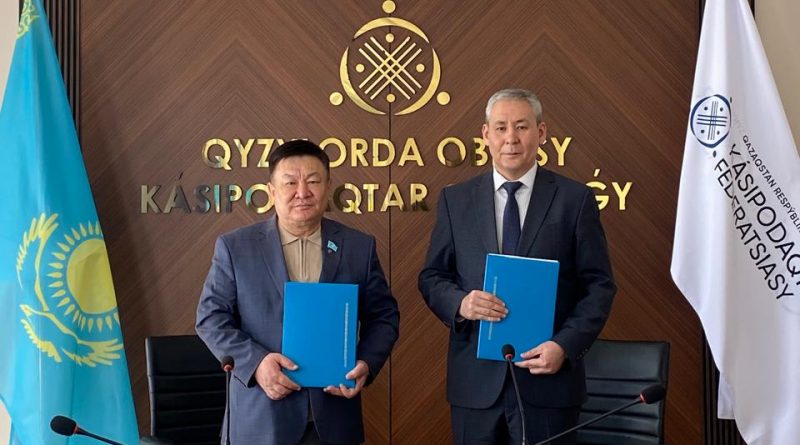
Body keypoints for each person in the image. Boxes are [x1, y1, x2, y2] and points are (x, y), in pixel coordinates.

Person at [418, 88, 616, 445]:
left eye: (522, 127)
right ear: (485, 135)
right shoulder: (455, 200)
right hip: (475, 386)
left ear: (541, 133)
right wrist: (460, 303)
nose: (511, 138)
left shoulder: (575, 199)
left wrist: (564, 346)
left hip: (549, 383)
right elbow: (432, 276)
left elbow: (598, 286)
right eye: (501, 127)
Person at [196, 140, 399, 445]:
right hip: (260, 419)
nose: (302, 192)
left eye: (313, 181)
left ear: (328, 187)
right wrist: (256, 363)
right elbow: (210, 319)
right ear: (272, 190)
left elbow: (384, 317)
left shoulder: (358, 246)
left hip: (333, 417)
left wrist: (366, 362)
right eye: (290, 182)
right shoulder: (236, 247)